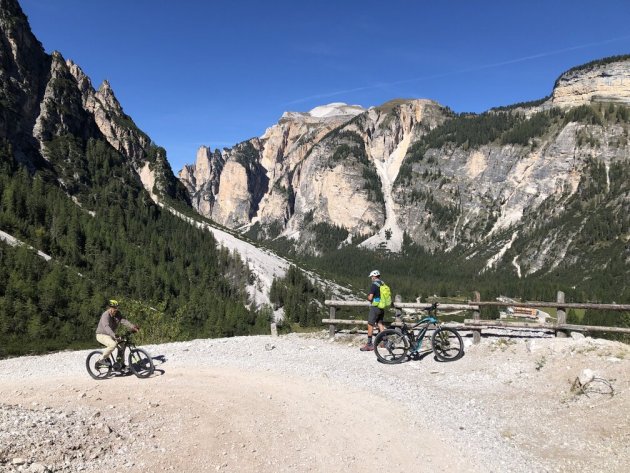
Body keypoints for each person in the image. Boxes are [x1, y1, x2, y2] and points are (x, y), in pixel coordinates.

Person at [95, 300, 139, 368]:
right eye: (114, 308)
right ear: (109, 308)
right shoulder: (105, 315)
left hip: (111, 334)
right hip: (101, 335)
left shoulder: (117, 313)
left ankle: (120, 364)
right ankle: (101, 360)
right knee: (113, 344)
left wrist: (133, 326)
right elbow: (106, 327)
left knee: (122, 343)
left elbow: (123, 320)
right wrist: (114, 335)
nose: (116, 309)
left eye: (117, 307)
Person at [360, 270, 387, 351]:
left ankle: (369, 344)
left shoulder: (374, 285)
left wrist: (367, 297)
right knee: (380, 323)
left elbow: (370, 298)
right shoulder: (383, 283)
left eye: (371, 276)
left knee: (370, 324)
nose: (371, 278)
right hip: (382, 306)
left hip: (375, 307)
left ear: (374, 276)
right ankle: (385, 342)